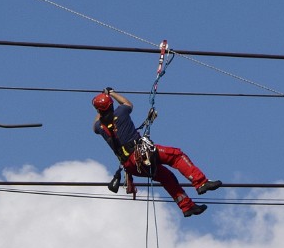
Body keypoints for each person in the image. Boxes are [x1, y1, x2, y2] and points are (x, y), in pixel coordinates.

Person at [92, 88, 221, 217]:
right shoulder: (120, 113)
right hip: (141, 154)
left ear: (98, 110)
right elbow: (127, 103)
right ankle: (201, 182)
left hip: (132, 167)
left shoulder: (100, 127)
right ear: (111, 105)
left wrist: (100, 108)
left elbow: (95, 125)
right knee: (176, 155)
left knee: (166, 177)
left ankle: (187, 206)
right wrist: (112, 93)